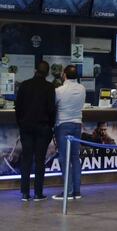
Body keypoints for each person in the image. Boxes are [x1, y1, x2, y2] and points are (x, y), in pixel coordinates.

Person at [15, 61, 56, 201]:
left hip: (26, 128)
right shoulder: (50, 87)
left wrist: (21, 124)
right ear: (48, 73)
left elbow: (18, 107)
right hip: (43, 128)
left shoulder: (24, 85)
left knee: (26, 160)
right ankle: (38, 193)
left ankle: (25, 193)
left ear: (35, 70)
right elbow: (52, 109)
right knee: (40, 161)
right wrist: (50, 125)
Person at [52, 65, 86, 200]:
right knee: (75, 158)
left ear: (64, 75)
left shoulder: (59, 90)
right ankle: (77, 190)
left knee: (63, 158)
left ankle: (69, 190)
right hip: (77, 125)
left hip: (63, 125)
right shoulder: (82, 89)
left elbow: (53, 106)